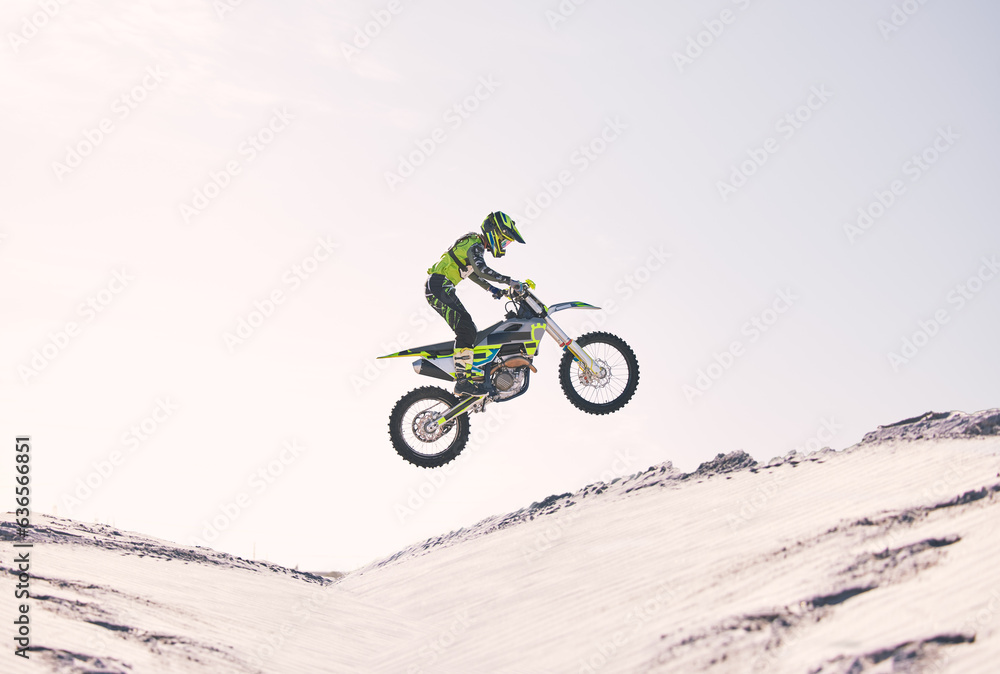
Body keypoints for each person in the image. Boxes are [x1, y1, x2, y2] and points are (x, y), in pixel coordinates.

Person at [425, 211, 527, 395]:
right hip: (438, 286)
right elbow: (481, 270)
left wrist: (493, 289)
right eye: (504, 241)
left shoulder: (473, 243)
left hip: (440, 286)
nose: (504, 246)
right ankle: (463, 381)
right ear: (495, 232)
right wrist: (509, 281)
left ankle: (469, 375)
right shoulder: (475, 244)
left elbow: (473, 273)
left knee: (469, 328)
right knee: (466, 327)